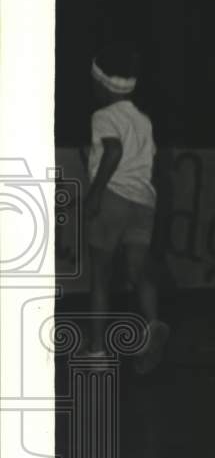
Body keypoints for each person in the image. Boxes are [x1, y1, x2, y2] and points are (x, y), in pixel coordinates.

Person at [84, 42, 169, 374]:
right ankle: (151, 326)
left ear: (103, 84)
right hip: (143, 200)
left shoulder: (103, 116)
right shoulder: (143, 120)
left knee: (101, 277)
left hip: (113, 197)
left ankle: (97, 354)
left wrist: (94, 194)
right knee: (138, 271)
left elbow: (113, 151)